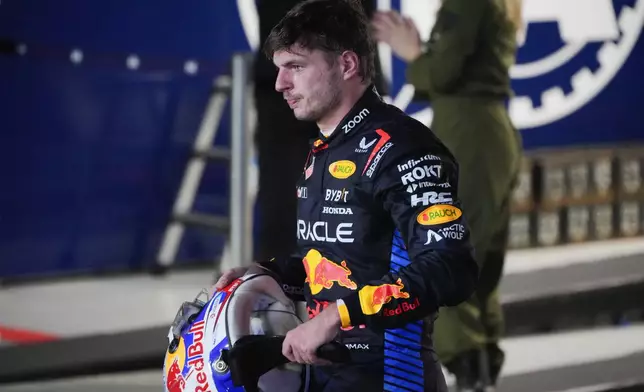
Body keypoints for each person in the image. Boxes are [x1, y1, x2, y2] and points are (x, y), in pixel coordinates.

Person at [215, 0, 479, 390]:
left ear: (347, 64)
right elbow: (344, 262)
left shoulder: (403, 147)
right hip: (331, 373)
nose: (280, 84)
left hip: (392, 378)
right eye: (279, 68)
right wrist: (268, 272)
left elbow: (450, 268)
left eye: (297, 67)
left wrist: (335, 316)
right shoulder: (324, 147)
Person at [371, 0, 524, 389]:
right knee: (482, 259)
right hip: (490, 131)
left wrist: (413, 53)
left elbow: (440, 74)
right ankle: (480, 364)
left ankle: (469, 365)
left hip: (469, 133)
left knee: (451, 249)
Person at [253, 0, 387, 262]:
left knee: (357, 186)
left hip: (345, 81)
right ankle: (276, 280)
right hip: (286, 92)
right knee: (282, 191)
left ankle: (354, 278)